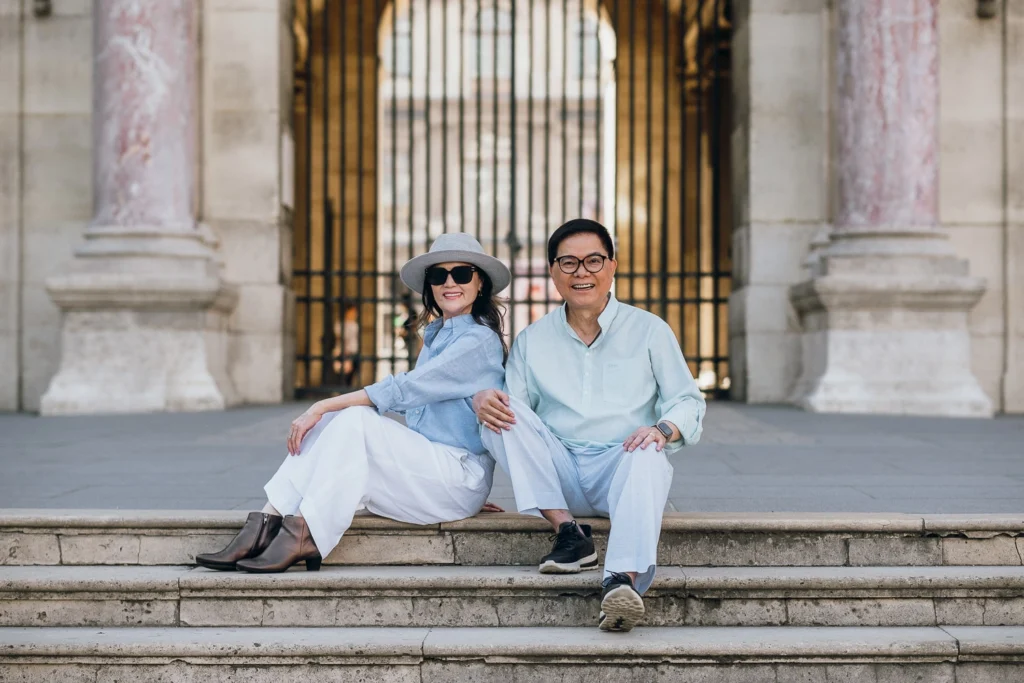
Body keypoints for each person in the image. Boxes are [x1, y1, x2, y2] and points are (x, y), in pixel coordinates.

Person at [197, 233, 511, 573]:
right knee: (345, 422)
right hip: (430, 470)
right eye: (439, 275)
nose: (449, 283)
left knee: (352, 417)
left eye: (462, 274)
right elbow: (415, 402)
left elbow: (408, 389)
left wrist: (321, 406)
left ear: (480, 284)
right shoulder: (439, 336)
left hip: (456, 476)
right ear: (430, 286)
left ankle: (302, 532)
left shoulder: (478, 340)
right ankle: (268, 522)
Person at [473, 218, 706, 632]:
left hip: (621, 465)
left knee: (651, 449)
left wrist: (663, 430)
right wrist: (484, 399)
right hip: (557, 472)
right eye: (568, 263)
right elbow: (518, 421)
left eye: (593, 261)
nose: (581, 272)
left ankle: (621, 583)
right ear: (553, 272)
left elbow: (687, 400)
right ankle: (568, 532)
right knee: (497, 412)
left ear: (612, 266)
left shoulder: (649, 330)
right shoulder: (533, 339)